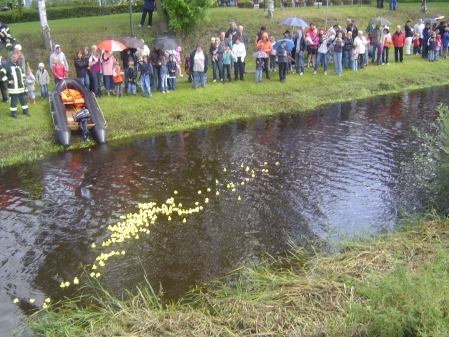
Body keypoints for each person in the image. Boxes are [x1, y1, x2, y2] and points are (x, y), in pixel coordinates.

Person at [0, 50, 30, 118]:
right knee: (13, 101)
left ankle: (25, 111)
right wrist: (7, 81)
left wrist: (23, 78)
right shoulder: (7, 65)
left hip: (20, 87)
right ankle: (13, 113)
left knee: (23, 100)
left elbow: (22, 72)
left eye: (16, 57)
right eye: (14, 57)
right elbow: (1, 73)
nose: (15, 58)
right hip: (13, 88)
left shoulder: (18, 64)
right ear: (11, 57)